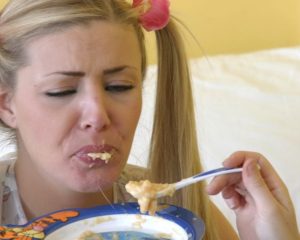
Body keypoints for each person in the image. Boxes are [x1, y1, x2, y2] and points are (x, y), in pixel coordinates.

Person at [0, 0, 298, 239]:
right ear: (6, 105)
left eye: (119, 87)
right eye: (61, 91)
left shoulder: (178, 214)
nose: (98, 116)